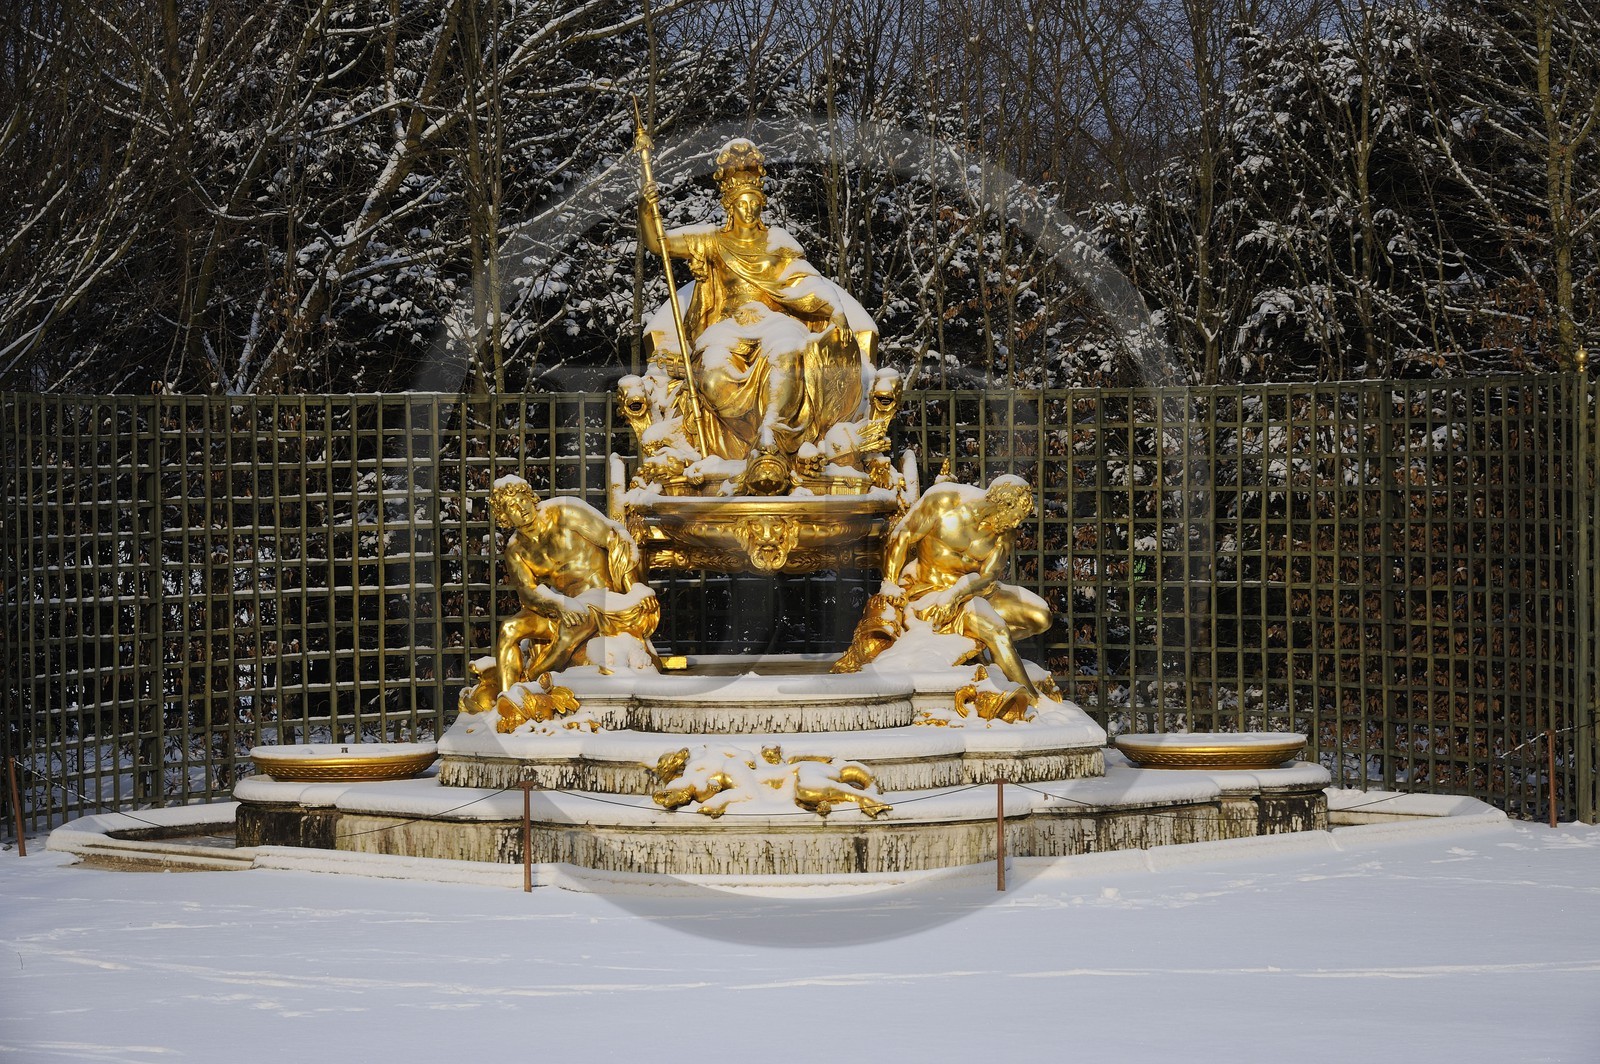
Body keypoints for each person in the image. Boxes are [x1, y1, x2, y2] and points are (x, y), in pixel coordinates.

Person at [639, 139, 878, 494]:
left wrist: (835, 313)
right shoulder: (710, 240)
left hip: (774, 322)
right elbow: (658, 242)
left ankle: (770, 434)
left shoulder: (777, 243)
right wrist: (647, 207)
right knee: (714, 373)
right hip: (727, 327)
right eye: (742, 204)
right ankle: (738, 449)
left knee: (788, 353)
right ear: (730, 207)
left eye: (754, 203)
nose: (749, 210)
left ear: (761, 204)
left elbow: (805, 283)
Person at [838, 475, 1051, 695]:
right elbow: (902, 536)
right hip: (928, 594)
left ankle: (974, 642)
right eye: (1015, 516)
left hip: (971, 591)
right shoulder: (946, 501)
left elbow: (988, 576)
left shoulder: (1004, 533)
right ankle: (1028, 697)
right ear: (1002, 503)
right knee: (994, 629)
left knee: (1041, 617)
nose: (1016, 523)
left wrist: (956, 594)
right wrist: (891, 582)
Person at [486, 476, 659, 685]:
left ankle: (529, 681)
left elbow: (616, 539)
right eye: (511, 507)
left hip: (603, 598)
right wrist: (558, 605)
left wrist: (634, 589)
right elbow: (528, 593)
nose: (521, 508)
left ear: (531, 497)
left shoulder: (565, 512)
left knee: (569, 630)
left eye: (523, 500)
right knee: (508, 629)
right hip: (562, 606)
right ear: (504, 517)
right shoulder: (516, 550)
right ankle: (507, 703)